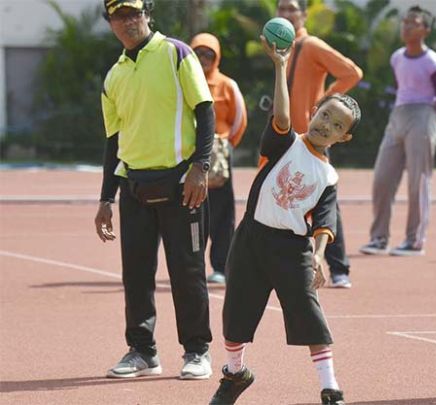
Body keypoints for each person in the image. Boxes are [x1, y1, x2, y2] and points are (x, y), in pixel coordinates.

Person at [208, 35, 361, 405]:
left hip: (292, 251)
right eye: (325, 114)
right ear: (314, 112)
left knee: (310, 317)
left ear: (344, 137)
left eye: (337, 124)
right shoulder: (285, 142)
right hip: (251, 240)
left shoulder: (329, 177)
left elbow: (325, 221)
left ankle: (330, 387)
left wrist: (320, 255)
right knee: (236, 316)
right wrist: (280, 66)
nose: (327, 124)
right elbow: (280, 115)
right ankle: (234, 375)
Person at [94, 0, 214, 380]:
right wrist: (105, 198)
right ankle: (142, 351)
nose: (128, 21)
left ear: (147, 14)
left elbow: (205, 110)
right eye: (119, 16)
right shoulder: (113, 75)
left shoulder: (176, 53)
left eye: (134, 13)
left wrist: (201, 166)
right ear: (110, 23)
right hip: (134, 186)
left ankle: (197, 351)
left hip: (182, 183)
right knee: (137, 274)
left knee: (187, 272)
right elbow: (113, 142)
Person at [277, 0, 363, 288]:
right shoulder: (281, 47)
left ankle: (339, 268)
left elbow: (352, 73)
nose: (285, 14)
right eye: (281, 8)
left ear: (303, 14)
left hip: (312, 136)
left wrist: (325, 106)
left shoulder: (311, 44)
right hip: (288, 137)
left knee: (325, 203)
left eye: (291, 8)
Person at [359, 5, 436, 257]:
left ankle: (414, 240)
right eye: (405, 22)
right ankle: (379, 238)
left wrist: (426, 115)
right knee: (381, 179)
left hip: (423, 116)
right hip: (397, 116)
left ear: (425, 30)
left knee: (418, 182)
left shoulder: (433, 62)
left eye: (413, 23)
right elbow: (400, 86)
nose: (406, 27)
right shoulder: (397, 57)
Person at [190, 33, 248, 285]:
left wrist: (224, 146)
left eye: (208, 54)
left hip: (219, 156)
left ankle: (221, 266)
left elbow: (239, 120)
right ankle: (191, 266)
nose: (203, 59)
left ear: (217, 57)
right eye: (198, 53)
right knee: (191, 212)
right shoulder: (183, 81)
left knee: (222, 215)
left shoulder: (227, 85)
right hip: (189, 157)